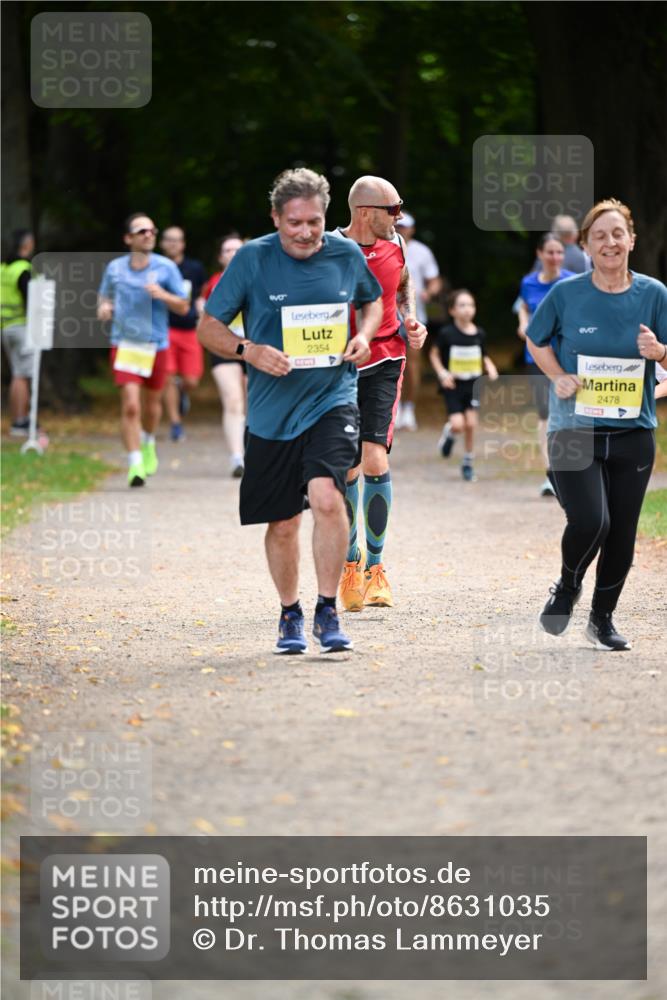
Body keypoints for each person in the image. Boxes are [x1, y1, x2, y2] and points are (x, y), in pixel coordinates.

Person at [198, 168, 383, 654]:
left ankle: (327, 610)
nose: (305, 233)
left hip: (332, 397)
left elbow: (374, 303)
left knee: (327, 497)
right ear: (276, 218)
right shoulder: (253, 259)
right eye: (294, 223)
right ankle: (289, 614)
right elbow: (208, 327)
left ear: (327, 218)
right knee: (282, 521)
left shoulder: (344, 254)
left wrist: (364, 336)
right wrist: (248, 351)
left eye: (315, 222)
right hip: (271, 412)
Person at [527, 198, 667, 651]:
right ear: (585, 245)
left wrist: (659, 354)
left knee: (622, 531)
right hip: (573, 428)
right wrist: (558, 376)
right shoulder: (567, 294)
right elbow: (535, 338)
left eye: (617, 234)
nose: (610, 243)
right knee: (592, 520)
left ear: (632, 240)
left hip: (633, 434)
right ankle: (567, 585)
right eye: (599, 236)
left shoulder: (654, 295)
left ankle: (602, 620)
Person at [334, 176, 427, 614]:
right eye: (394, 208)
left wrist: (410, 318)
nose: (400, 216)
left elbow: (403, 283)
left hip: (387, 359)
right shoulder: (329, 250)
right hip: (340, 368)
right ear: (366, 212)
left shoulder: (397, 246)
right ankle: (349, 564)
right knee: (348, 465)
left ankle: (375, 567)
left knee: (375, 457)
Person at [97, 213, 188, 487]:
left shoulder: (166, 268)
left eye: (152, 230)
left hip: (156, 345)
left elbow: (183, 306)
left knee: (151, 406)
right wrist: (103, 307)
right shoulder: (115, 268)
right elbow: (104, 296)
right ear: (129, 238)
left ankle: (147, 441)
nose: (148, 234)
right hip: (125, 344)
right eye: (141, 231)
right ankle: (135, 462)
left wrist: (163, 295)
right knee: (131, 406)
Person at [517, 233, 575, 497]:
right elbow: (524, 307)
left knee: (569, 414)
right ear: (540, 255)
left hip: (566, 358)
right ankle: (550, 474)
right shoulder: (528, 282)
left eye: (559, 252)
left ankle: (573, 471)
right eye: (550, 252)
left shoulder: (572, 282)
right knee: (546, 416)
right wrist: (522, 323)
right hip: (537, 358)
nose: (555, 257)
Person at [429, 289, 499, 482]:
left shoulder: (479, 333)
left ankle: (468, 462)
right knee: (459, 425)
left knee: (471, 424)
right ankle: (450, 433)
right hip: (453, 386)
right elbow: (434, 355)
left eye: (471, 305)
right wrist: (442, 373)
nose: (467, 309)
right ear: (452, 310)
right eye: (462, 305)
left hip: (473, 386)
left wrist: (490, 367)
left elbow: (483, 355)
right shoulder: (447, 333)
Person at [201, 234, 247, 477]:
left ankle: (253, 451)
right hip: (225, 349)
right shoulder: (214, 283)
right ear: (220, 257)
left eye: (237, 249)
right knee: (232, 401)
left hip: (254, 349)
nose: (233, 254)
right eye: (227, 250)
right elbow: (203, 314)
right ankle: (237, 458)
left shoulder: (257, 279)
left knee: (252, 403)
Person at [394, 212, 442, 431]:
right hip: (386, 315)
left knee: (412, 363)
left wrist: (429, 293)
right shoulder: (384, 245)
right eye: (399, 226)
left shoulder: (422, 251)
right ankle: (392, 410)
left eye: (406, 227)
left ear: (412, 229)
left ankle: (409, 408)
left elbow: (434, 280)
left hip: (415, 314)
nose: (402, 229)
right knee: (390, 364)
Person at [159, 226, 207, 442]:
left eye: (177, 240)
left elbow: (202, 294)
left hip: (189, 330)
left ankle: (182, 391)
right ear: (162, 243)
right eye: (169, 240)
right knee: (167, 376)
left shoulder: (195, 268)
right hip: (164, 328)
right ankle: (176, 423)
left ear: (183, 244)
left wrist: (201, 307)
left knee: (191, 379)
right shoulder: (155, 267)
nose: (172, 244)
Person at [1, 229, 35, 435]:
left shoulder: (3, 268)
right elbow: (32, 300)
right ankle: (21, 421)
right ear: (27, 244)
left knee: (16, 373)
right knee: (22, 375)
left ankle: (18, 419)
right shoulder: (23, 269)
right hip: (21, 327)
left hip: (5, 327)